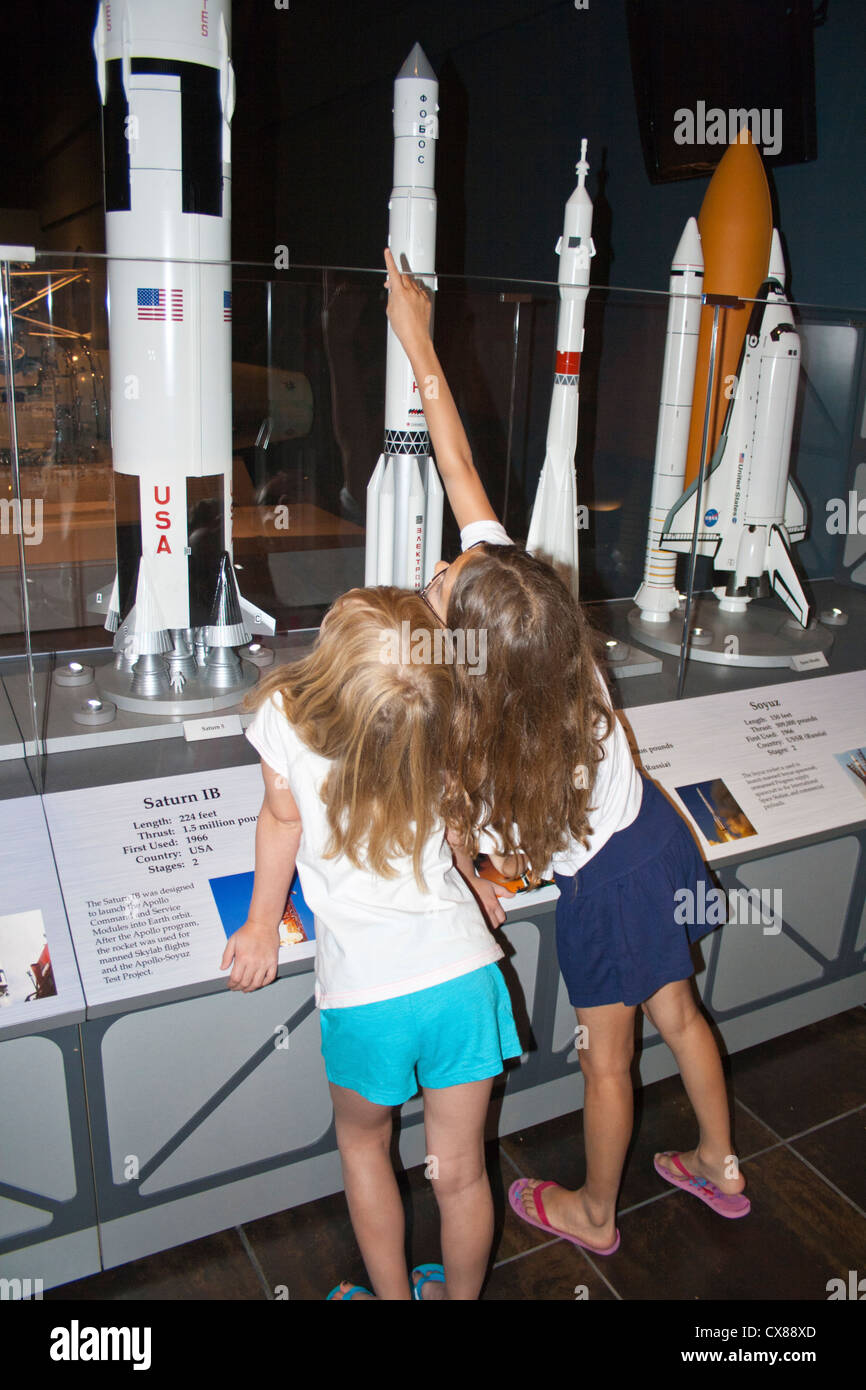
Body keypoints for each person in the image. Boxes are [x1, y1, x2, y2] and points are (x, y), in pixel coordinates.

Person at [383, 247, 750, 1258]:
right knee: (678, 1009)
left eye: (450, 576)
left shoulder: (485, 741)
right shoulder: (539, 626)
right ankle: (720, 1164)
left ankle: (593, 1212)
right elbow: (459, 470)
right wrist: (416, 336)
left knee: (607, 1058)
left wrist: (466, 865)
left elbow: (484, 841)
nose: (451, 564)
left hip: (607, 887)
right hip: (658, 838)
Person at [221, 584, 521, 1299]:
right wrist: (471, 877)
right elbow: (454, 822)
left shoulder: (282, 715)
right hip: (464, 978)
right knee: (462, 1170)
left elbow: (282, 824)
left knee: (364, 1145)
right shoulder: (444, 716)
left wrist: (263, 923)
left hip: (369, 998)